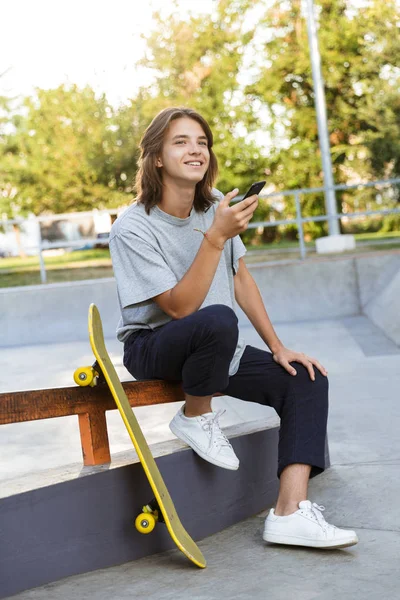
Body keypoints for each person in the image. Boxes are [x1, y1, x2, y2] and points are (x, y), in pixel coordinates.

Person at [109, 106, 358, 550]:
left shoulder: (214, 206)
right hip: (154, 346)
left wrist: (279, 348)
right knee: (217, 319)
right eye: (181, 141)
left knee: (306, 380)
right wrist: (215, 237)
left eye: (201, 142)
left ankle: (289, 512)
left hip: (214, 345)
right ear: (157, 158)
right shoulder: (133, 227)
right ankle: (195, 415)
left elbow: (241, 278)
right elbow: (180, 308)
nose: (195, 150)